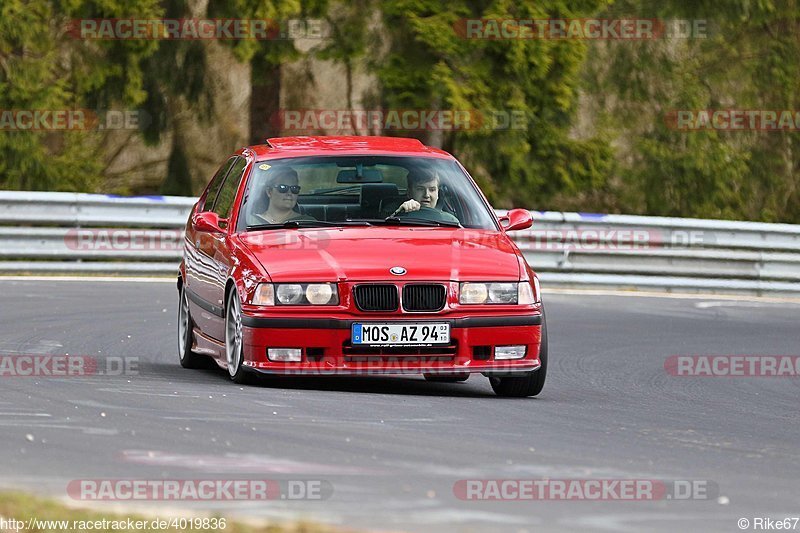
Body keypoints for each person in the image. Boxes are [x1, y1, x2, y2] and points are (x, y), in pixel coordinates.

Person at [386, 169, 460, 223]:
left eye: (432, 190)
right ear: (409, 192)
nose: (426, 195)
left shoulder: (450, 221)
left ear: (438, 193)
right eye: (420, 189)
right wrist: (399, 213)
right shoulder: (392, 211)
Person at [248, 167, 315, 225]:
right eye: (283, 188)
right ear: (269, 192)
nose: (289, 193)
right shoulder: (250, 222)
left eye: (294, 188)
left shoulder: (308, 223)